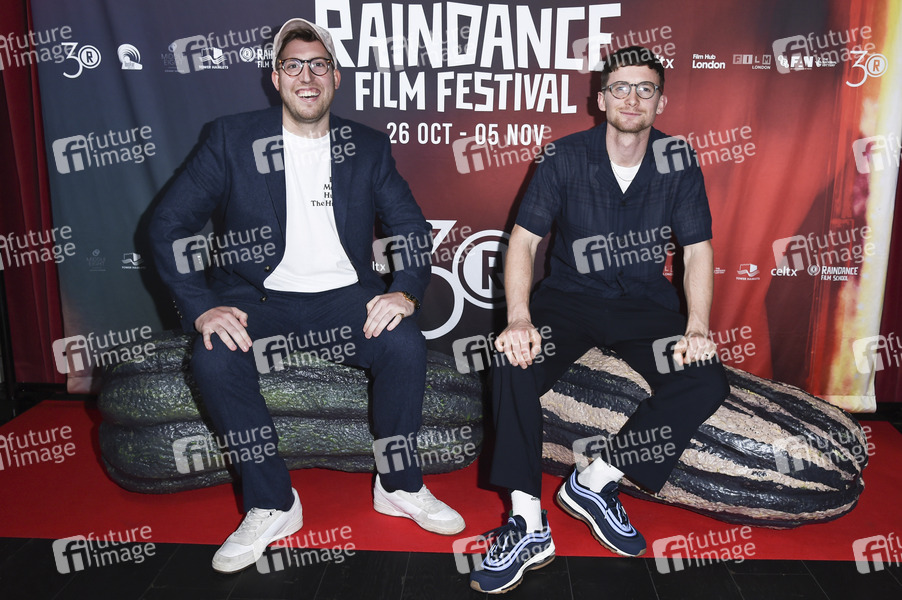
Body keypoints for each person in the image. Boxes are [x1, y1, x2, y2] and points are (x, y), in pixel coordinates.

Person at [149, 17, 464, 574]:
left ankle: (398, 485)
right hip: (257, 299)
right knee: (215, 358)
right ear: (276, 78)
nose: (307, 77)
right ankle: (273, 503)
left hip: (344, 298)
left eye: (319, 65)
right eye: (293, 65)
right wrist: (200, 306)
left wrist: (405, 292)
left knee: (403, 345)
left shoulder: (367, 146)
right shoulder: (231, 138)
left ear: (336, 77)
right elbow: (167, 224)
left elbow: (410, 228)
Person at [469, 46, 730, 593]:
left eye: (645, 89)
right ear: (601, 98)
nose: (632, 99)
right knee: (511, 361)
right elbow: (524, 242)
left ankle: (596, 479)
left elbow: (697, 250)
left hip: (644, 306)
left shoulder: (678, 159)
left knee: (705, 379)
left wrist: (698, 326)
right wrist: (518, 318)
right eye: (620, 88)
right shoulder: (563, 156)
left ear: (661, 100)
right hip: (569, 300)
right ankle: (527, 521)